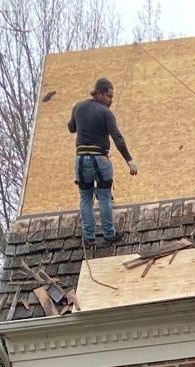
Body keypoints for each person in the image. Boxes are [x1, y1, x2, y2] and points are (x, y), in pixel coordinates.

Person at [68, 77, 138, 247]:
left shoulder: (78, 107)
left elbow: (71, 128)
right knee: (105, 197)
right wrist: (129, 160)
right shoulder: (106, 113)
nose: (111, 101)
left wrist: (78, 116)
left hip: (81, 159)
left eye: (112, 97)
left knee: (85, 198)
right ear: (98, 93)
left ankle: (89, 236)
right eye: (108, 96)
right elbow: (117, 138)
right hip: (100, 159)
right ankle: (109, 233)